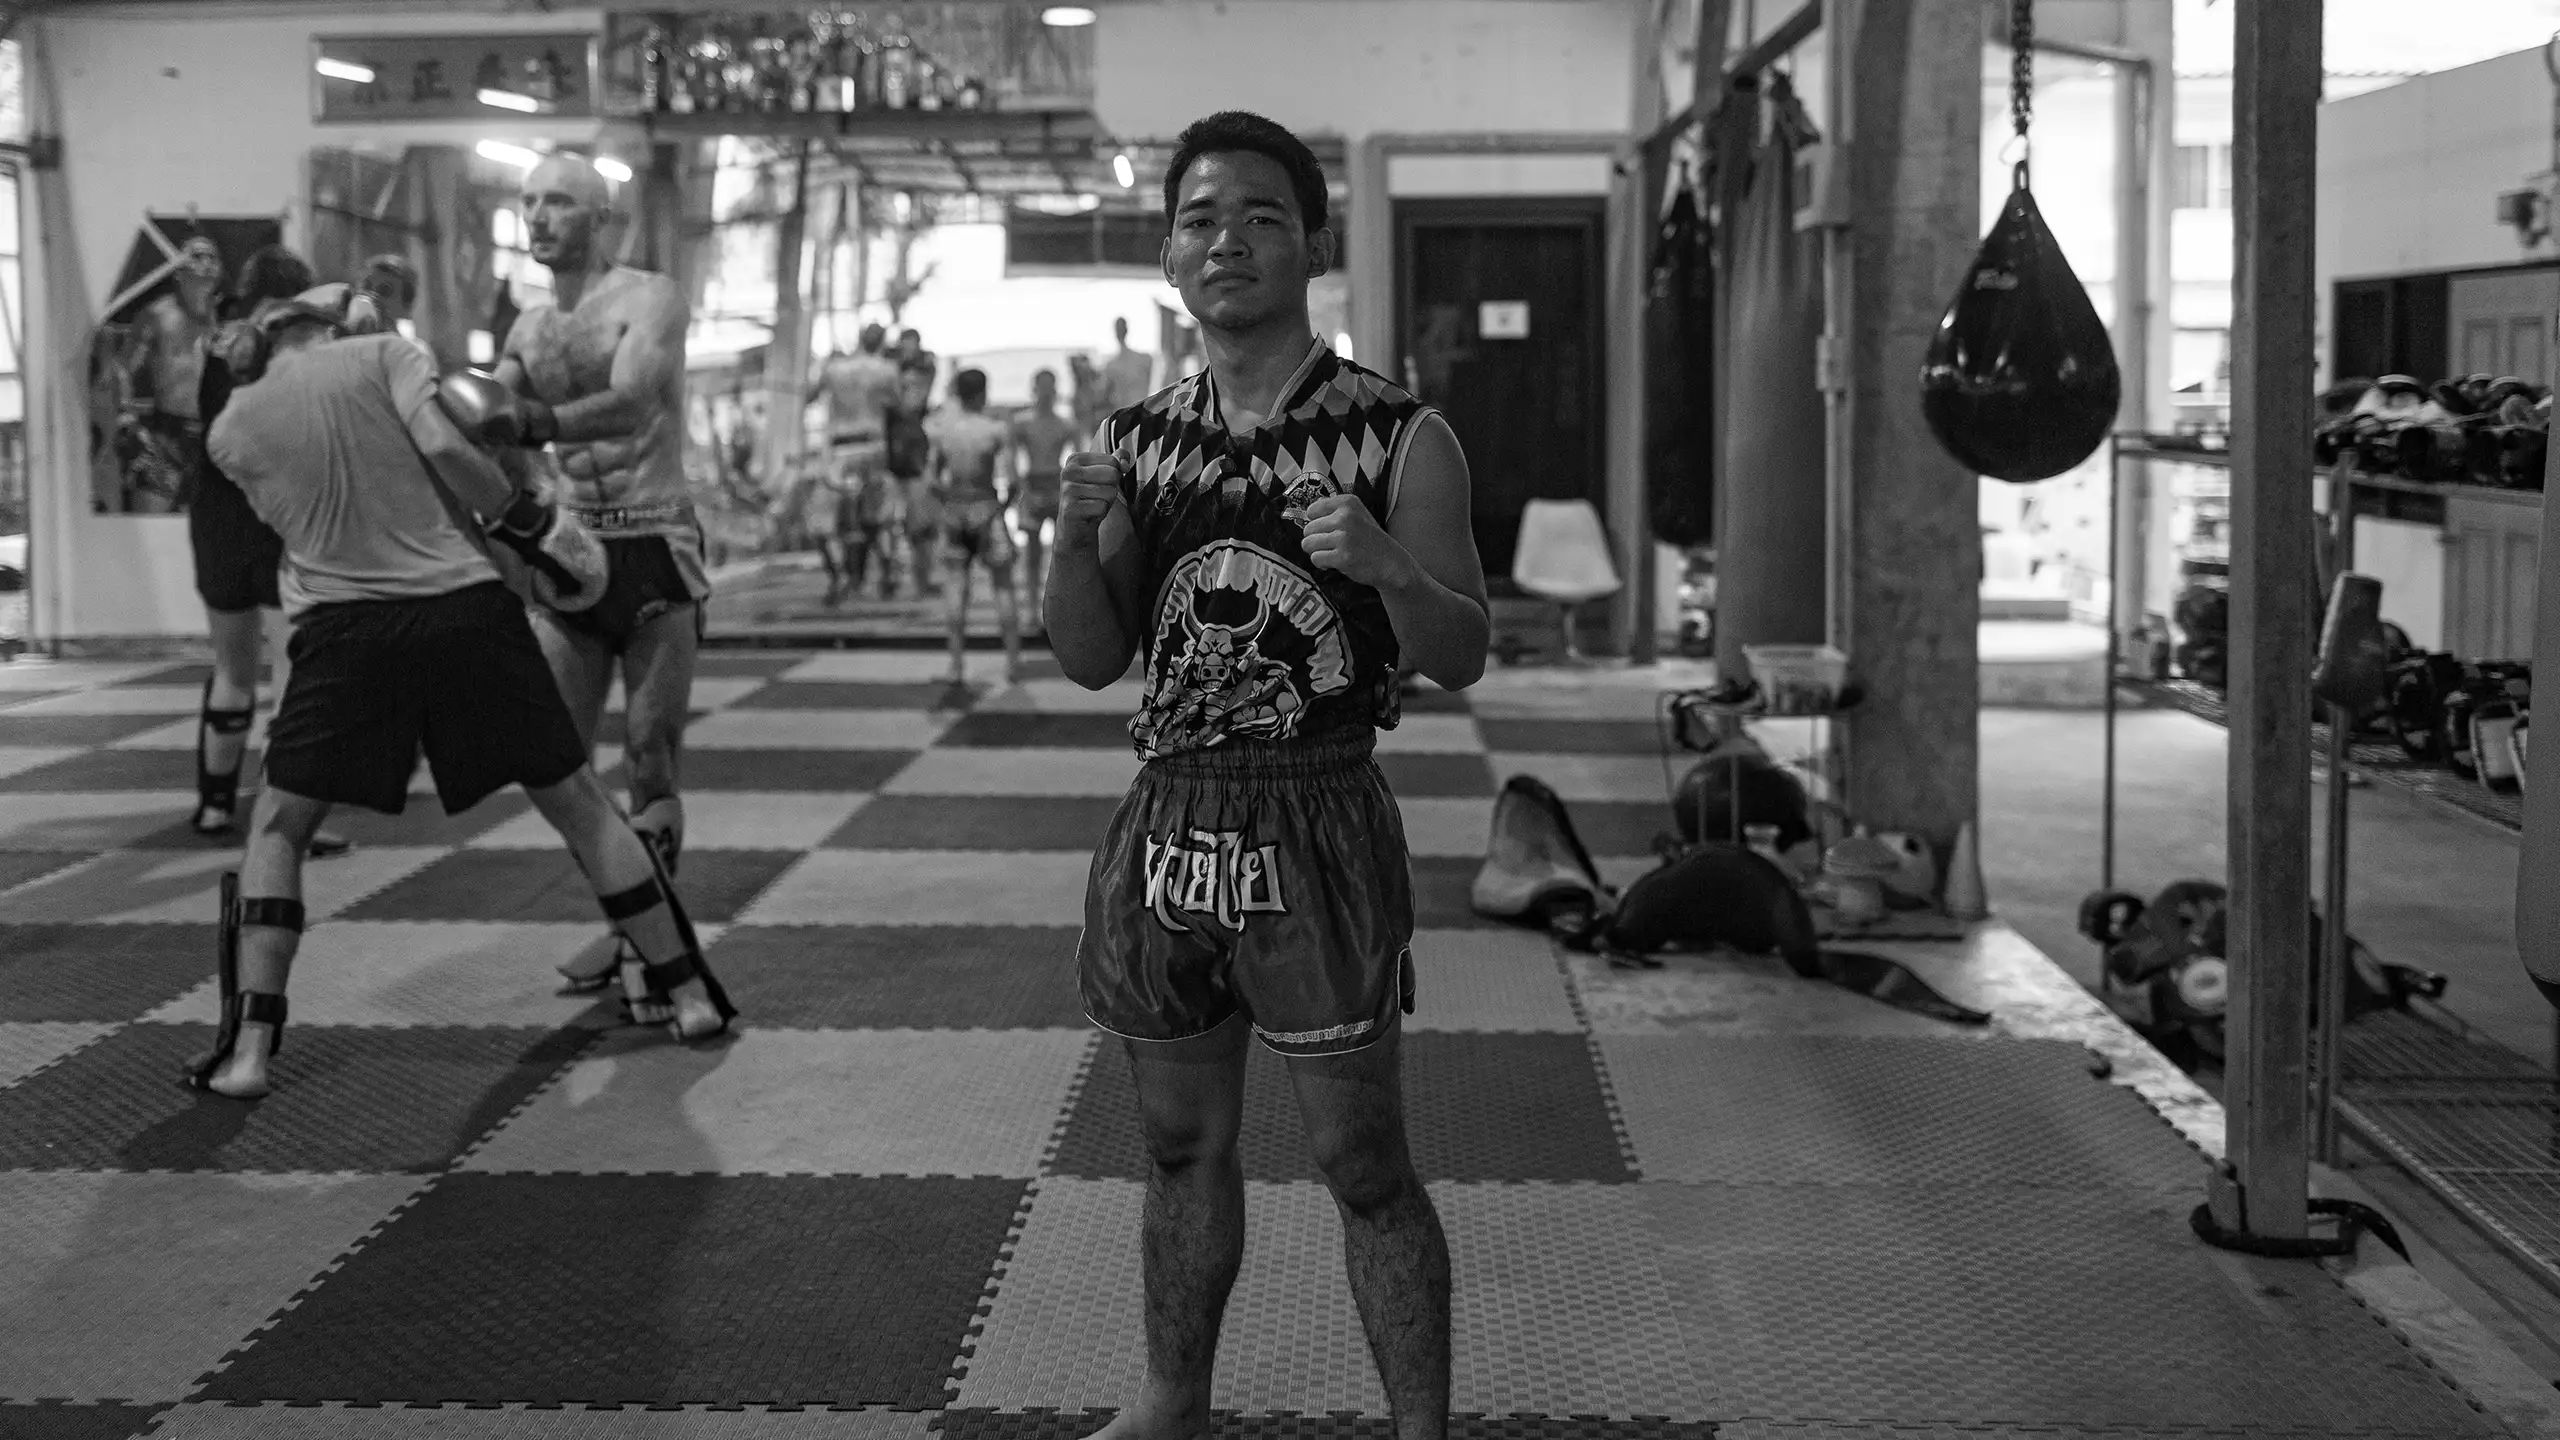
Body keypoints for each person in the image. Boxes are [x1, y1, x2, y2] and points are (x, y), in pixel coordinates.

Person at [1048, 112, 1489, 1440]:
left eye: (1258, 215)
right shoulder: (1135, 442)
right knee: (1180, 1148)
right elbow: (1088, 658)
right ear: (1170, 251)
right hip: (1169, 818)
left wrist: (1386, 564)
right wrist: (1066, 543)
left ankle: (1424, 1434)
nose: (1224, 240)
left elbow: (1462, 651)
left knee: (1363, 1163)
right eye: (1198, 218)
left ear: (1309, 242)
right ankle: (1174, 1401)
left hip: (1318, 817)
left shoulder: (1401, 437)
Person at [189, 291, 732, 1099]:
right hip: (464, 614)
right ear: (336, 319)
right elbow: (444, 447)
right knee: (580, 803)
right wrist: (528, 525)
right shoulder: (384, 357)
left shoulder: (229, 427)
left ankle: (248, 1053)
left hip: (343, 635)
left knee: (277, 826)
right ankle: (688, 995)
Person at [489, 155, 708, 1013]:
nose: (538, 217)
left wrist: (530, 421)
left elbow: (631, 403)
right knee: (559, 767)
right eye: (529, 201)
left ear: (598, 216)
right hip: (572, 549)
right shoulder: (526, 329)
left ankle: (648, 946)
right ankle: (632, 924)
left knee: (651, 756)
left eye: (557, 203)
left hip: (654, 540)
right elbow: (478, 421)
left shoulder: (650, 298)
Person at [185, 246, 348, 858]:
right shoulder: (284, 346)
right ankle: (288, 825)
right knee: (290, 674)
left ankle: (212, 805)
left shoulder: (212, 341)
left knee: (230, 669)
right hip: (274, 517)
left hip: (213, 519)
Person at [112, 235, 225, 514]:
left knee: (212, 533)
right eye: (197, 256)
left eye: (213, 258)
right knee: (152, 518)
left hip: (215, 439)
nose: (207, 264)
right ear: (178, 270)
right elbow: (123, 368)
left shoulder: (226, 318)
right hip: (165, 439)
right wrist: (126, 418)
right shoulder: (157, 315)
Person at [926, 367, 1022, 686]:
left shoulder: (944, 432)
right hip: (986, 508)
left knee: (955, 588)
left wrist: (947, 506)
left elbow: (931, 481)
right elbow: (1013, 480)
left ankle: (956, 664)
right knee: (1003, 586)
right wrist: (1000, 508)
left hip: (956, 508)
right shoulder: (994, 431)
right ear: (983, 392)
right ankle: (1012, 663)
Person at [804, 322, 904, 605]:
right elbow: (897, 404)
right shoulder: (885, 369)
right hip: (873, 445)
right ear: (882, 342)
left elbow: (809, 396)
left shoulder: (835, 369)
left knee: (824, 520)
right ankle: (886, 572)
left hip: (839, 448)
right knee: (878, 517)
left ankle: (839, 575)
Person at [1008, 367, 1080, 624]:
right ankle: (1031, 607)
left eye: (1051, 386)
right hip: (1033, 483)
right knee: (1033, 552)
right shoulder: (1023, 423)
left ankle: (1062, 608)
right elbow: (1012, 460)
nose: (1047, 391)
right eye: (1043, 386)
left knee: (1064, 551)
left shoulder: (1064, 424)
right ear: (1035, 388)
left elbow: (1078, 459)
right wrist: (1021, 489)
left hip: (1056, 483)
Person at [886, 358, 939, 598]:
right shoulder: (888, 417)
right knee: (891, 530)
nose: (914, 391)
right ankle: (891, 578)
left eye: (918, 385)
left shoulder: (928, 417)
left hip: (917, 478)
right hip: (894, 478)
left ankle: (922, 581)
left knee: (922, 531)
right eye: (906, 386)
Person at [1098, 316, 1156, 414]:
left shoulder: (1112, 365)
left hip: (1136, 415)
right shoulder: (1111, 365)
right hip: (1132, 415)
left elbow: (1102, 395)